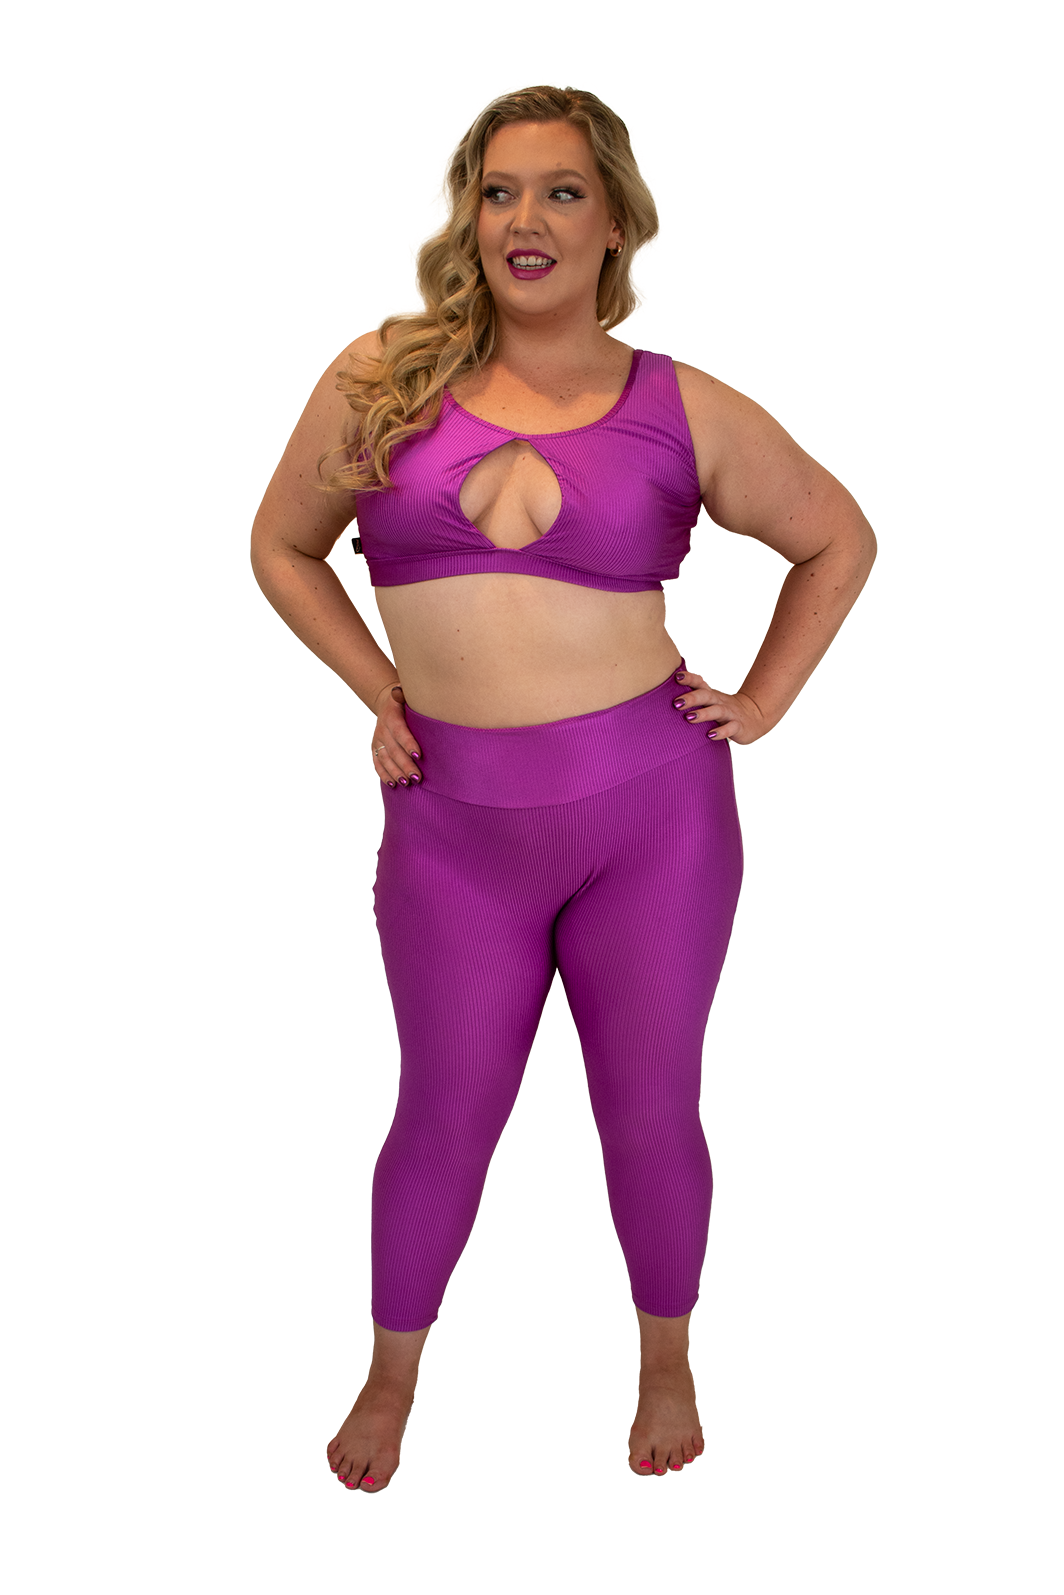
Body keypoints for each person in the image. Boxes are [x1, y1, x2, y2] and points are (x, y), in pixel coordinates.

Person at [250, 84, 876, 1492]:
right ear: (471, 216)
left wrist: (763, 702)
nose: (523, 218)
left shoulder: (680, 406)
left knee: (648, 1103)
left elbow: (838, 538)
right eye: (499, 190)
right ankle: (391, 1373)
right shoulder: (382, 376)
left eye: (560, 191)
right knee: (443, 1108)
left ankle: (667, 1358)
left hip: (650, 814)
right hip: (452, 821)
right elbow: (281, 546)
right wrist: (380, 688)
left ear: (614, 225)